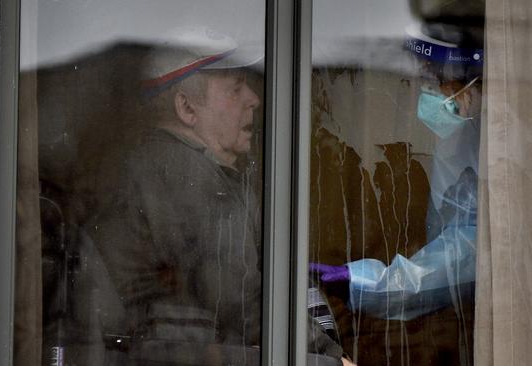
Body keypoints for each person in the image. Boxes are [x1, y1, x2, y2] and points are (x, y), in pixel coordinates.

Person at [88, 28, 350, 365]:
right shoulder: (183, 174)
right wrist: (330, 357)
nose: (254, 99)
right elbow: (239, 299)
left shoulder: (164, 167)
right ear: (186, 108)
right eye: (235, 89)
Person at [311, 25, 482, 322]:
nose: (425, 91)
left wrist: (369, 283)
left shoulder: (508, 147)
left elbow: (469, 253)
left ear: (472, 84)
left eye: (437, 79)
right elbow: (450, 245)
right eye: (423, 78)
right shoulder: (456, 145)